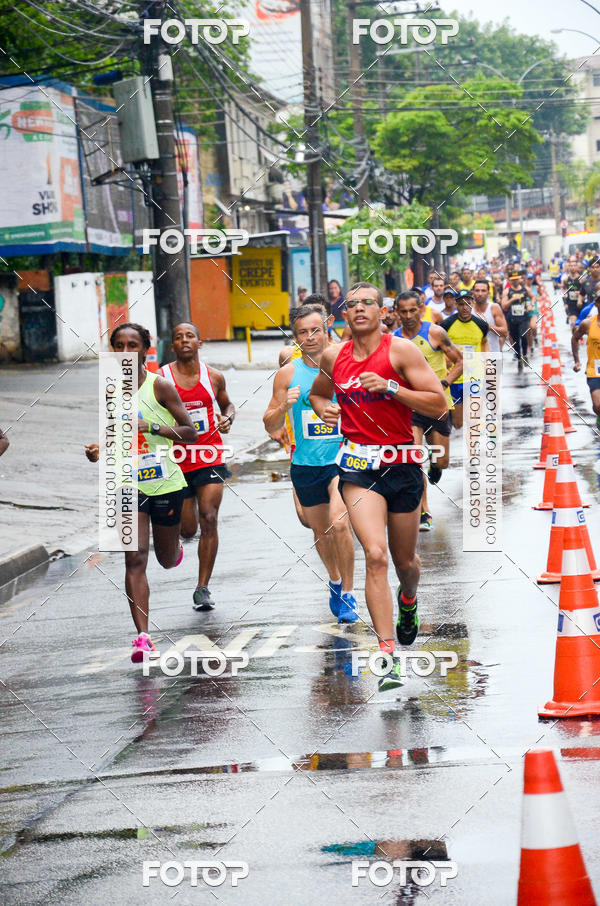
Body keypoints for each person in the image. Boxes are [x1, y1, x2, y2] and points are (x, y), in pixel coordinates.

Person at [309, 282, 448, 691]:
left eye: (368, 303)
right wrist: (326, 407)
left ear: (382, 310)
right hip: (357, 467)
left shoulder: (401, 351)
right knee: (375, 554)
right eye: (351, 305)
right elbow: (317, 395)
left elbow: (438, 404)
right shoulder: (334, 355)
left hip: (401, 463)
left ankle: (409, 600)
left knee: (406, 564)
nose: (359, 309)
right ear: (344, 315)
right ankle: (387, 655)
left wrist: (391, 388)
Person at [85, 323, 197, 662]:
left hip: (164, 481)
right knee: (134, 558)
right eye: (118, 345)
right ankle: (143, 638)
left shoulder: (159, 386)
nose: (124, 352)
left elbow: (190, 432)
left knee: (164, 560)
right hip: (126, 482)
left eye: (132, 345)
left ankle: (173, 546)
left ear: (145, 349)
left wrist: (153, 426)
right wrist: (99, 450)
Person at [263, 305, 358, 622]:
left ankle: (348, 592)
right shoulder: (287, 374)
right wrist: (282, 407)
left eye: (316, 330)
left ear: (327, 328)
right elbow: (269, 421)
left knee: (340, 522)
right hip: (305, 464)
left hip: (342, 459)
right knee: (320, 530)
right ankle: (333, 578)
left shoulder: (346, 361)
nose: (310, 337)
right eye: (303, 332)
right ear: (296, 337)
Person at [159, 323, 235, 612]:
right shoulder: (161, 378)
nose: (184, 340)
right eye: (178, 337)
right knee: (189, 529)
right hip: (177, 459)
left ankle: (202, 588)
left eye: (190, 336)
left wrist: (228, 418)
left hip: (210, 454)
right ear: (174, 346)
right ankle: (178, 541)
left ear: (199, 343)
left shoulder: (213, 377)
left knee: (209, 517)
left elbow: (228, 405)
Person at [394, 291, 463, 532]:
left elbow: (459, 361)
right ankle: (424, 511)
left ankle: (436, 466)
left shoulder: (434, 332)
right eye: (403, 311)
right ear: (396, 312)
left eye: (413, 310)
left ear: (421, 308)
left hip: (438, 404)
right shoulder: (393, 340)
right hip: (410, 407)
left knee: (441, 461)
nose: (408, 316)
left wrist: (444, 383)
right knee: (414, 459)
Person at [441, 290, 489, 428]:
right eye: (461, 304)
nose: (465, 307)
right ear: (456, 304)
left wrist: (485, 361)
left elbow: (484, 342)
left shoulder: (481, 325)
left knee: (474, 418)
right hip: (454, 378)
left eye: (468, 303)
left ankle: (474, 446)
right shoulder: (446, 324)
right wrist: (445, 362)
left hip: (474, 377)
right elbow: (440, 347)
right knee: (457, 423)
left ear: (473, 303)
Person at [572, 290, 600, 428]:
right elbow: (575, 338)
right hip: (594, 369)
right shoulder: (588, 323)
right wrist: (577, 360)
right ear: (596, 304)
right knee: (597, 405)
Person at [502, 269, 535, 371]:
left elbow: (533, 297)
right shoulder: (507, 291)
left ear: (520, 279)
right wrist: (512, 299)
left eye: (517, 279)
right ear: (510, 280)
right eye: (513, 279)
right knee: (515, 340)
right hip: (512, 319)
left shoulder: (525, 289)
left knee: (524, 335)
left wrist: (531, 304)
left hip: (524, 317)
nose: (515, 281)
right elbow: (504, 305)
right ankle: (519, 356)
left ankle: (524, 354)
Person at [471, 279, 508, 353]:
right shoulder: (468, 309)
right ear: (473, 292)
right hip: (473, 354)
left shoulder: (494, 308)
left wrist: (487, 325)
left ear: (488, 293)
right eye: (477, 291)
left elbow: (504, 332)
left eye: (483, 291)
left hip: (492, 354)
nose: (480, 294)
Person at [562, 256, 582, 326]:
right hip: (571, 304)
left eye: (574, 266)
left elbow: (586, 291)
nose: (573, 267)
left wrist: (580, 293)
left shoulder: (581, 279)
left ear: (577, 267)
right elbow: (563, 288)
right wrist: (565, 295)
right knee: (573, 324)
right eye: (571, 266)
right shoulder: (566, 279)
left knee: (580, 326)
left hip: (580, 304)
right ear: (568, 267)